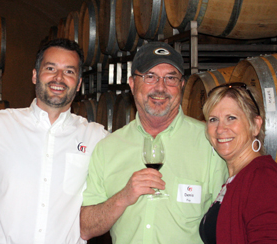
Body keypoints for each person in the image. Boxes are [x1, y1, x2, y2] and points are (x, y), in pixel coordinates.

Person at [0, 38, 108, 244]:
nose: (59, 78)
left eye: (69, 71)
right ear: (34, 75)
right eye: (50, 68)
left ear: (79, 84)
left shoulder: (96, 137)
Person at [79, 42, 228, 243]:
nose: (160, 87)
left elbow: (230, 223)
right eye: (150, 77)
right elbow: (86, 228)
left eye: (171, 78)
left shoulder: (210, 142)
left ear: (182, 86)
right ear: (132, 84)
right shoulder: (108, 148)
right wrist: (123, 197)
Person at [199, 82, 277, 243]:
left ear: (255, 125)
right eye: (213, 119)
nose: (220, 129)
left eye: (231, 118)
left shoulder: (262, 177)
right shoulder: (237, 179)